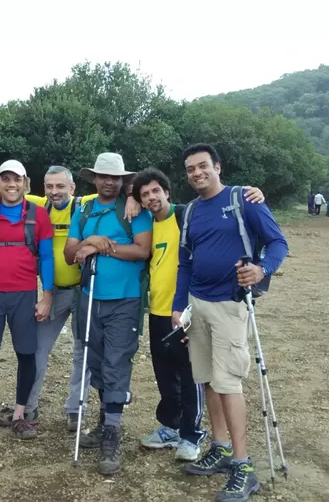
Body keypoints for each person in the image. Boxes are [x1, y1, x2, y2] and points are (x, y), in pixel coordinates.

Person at [0, 166, 141, 432]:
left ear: (72, 188)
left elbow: (117, 186)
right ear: (42, 188)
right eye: (49, 186)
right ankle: (28, 408)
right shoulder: (40, 205)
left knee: (83, 353)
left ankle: (75, 410)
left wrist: (132, 196)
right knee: (37, 349)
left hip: (84, 290)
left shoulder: (83, 204)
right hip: (56, 291)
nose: (55, 192)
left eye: (61, 186)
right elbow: (2, 190)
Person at [172, 143, 288, 502]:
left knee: (228, 382)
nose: (196, 173)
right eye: (190, 169)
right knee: (208, 378)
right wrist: (178, 306)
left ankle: (243, 465)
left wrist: (262, 269)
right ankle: (220, 447)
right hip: (198, 304)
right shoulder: (191, 211)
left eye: (202, 166)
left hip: (231, 304)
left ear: (217, 167)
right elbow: (185, 263)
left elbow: (278, 242)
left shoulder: (244, 200)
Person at [132, 168, 267, 463]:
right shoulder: (146, 224)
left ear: (167, 192)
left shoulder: (185, 215)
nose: (151, 197)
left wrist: (253, 193)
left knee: (191, 374)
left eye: (156, 191)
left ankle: (192, 434)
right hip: (158, 309)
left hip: (187, 309)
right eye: (144, 194)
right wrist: (129, 198)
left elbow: (218, 210)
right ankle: (170, 427)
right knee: (164, 372)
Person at [64, 152, 153, 476]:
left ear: (122, 180)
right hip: (90, 298)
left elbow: (142, 250)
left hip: (124, 300)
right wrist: (89, 240)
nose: (109, 181)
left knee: (116, 362)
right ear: (95, 178)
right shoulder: (84, 210)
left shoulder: (134, 210)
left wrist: (102, 247)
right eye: (103, 176)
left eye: (115, 177)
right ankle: (105, 422)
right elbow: (69, 253)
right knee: (98, 363)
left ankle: (112, 432)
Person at [0, 160, 54, 442]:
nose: (11, 184)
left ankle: (19, 415)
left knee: (26, 353)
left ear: (26, 183)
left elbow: (47, 257)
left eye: (16, 179)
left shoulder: (39, 215)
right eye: (5, 179)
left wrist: (47, 296)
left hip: (24, 293)